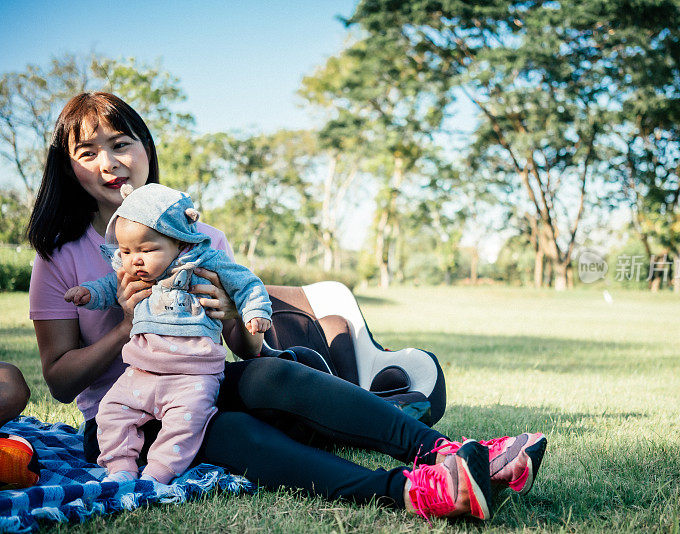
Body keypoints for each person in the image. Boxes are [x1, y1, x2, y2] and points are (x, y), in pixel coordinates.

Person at [27, 92, 546, 521]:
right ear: (70, 167)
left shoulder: (204, 238)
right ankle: (407, 491)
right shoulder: (59, 256)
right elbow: (59, 381)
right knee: (231, 433)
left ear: (146, 149)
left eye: (122, 144)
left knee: (274, 375)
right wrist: (122, 328)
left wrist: (234, 315)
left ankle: (444, 453)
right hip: (126, 415)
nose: (110, 163)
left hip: (195, 381)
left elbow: (248, 351)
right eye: (89, 152)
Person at [64, 183, 272, 484]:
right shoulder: (130, 272)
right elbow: (107, 286)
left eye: (147, 250)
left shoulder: (204, 261)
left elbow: (248, 283)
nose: (135, 259)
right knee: (110, 413)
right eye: (126, 250)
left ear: (178, 242)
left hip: (193, 375)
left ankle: (158, 473)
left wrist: (254, 312)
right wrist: (88, 293)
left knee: (185, 425)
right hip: (142, 371)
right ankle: (120, 468)